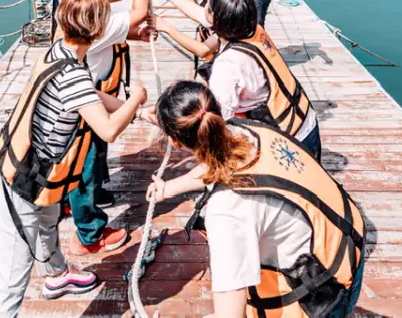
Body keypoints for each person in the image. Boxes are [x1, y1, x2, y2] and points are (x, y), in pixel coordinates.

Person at [0, 0, 149, 317]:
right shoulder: (72, 73)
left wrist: (139, 112)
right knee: (11, 275)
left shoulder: (61, 50)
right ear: (99, 30)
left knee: (48, 221)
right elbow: (106, 129)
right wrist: (136, 99)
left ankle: (56, 275)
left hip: (40, 174)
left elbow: (89, 97)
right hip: (20, 181)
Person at [146, 81, 366, 318]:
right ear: (216, 109)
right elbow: (216, 164)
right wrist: (169, 188)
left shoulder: (227, 210)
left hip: (324, 296)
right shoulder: (248, 131)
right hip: (347, 247)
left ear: (175, 142)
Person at [62, 0, 154, 249]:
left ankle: (83, 198)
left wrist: (136, 34)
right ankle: (90, 234)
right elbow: (138, 13)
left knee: (92, 162)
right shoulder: (94, 33)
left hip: (94, 96)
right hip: (86, 110)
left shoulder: (79, 27)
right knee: (84, 169)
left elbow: (125, 28)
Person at [205, 0, 320, 159]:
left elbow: (223, 119)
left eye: (207, 7)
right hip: (306, 122)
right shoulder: (256, 32)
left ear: (215, 18)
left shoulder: (227, 64)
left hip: (287, 143)